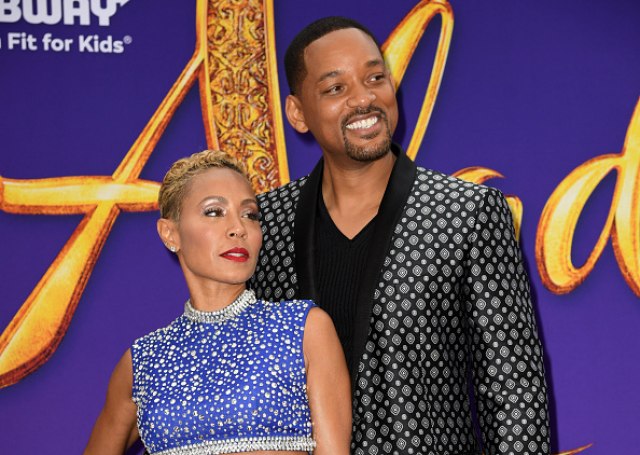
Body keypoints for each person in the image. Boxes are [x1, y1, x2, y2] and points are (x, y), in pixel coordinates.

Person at [250, 17, 551, 455]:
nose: (363, 99)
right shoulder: (263, 224)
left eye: (375, 78)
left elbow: (514, 390)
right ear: (297, 113)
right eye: (335, 88)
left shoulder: (466, 213)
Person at [84, 150, 351, 455]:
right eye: (214, 212)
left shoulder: (303, 329)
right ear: (170, 234)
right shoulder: (144, 361)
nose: (239, 228)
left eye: (250, 215)